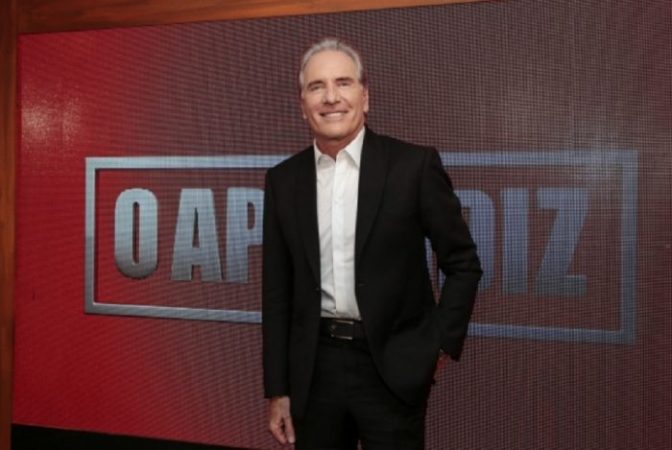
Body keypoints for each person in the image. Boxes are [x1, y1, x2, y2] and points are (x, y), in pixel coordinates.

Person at [262, 37, 482, 449]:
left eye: (343, 83)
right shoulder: (282, 181)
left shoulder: (413, 166)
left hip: (392, 369)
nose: (331, 97)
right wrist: (278, 389)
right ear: (302, 104)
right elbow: (277, 293)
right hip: (314, 372)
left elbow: (463, 263)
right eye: (316, 86)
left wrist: (437, 344)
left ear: (365, 97)